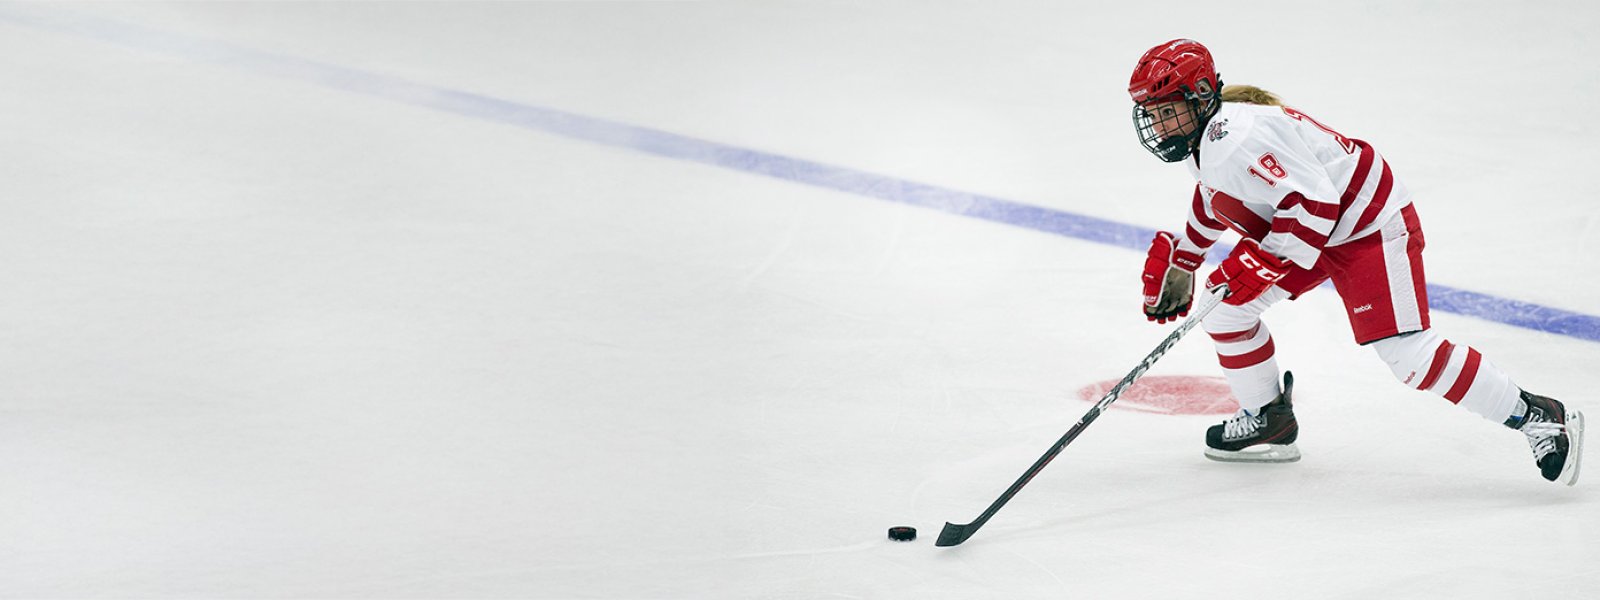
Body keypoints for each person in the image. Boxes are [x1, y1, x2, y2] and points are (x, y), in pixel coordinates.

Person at [1127, 38, 1584, 484]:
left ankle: (1536, 415)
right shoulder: (1205, 139)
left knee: (1407, 354)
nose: (1162, 126)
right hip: (1316, 228)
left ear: (1201, 95)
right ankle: (1270, 418)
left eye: (1169, 111)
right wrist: (1185, 259)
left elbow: (1315, 204)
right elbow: (1217, 197)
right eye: (1154, 115)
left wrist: (1262, 263)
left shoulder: (1239, 135)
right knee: (1225, 309)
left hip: (1367, 225)